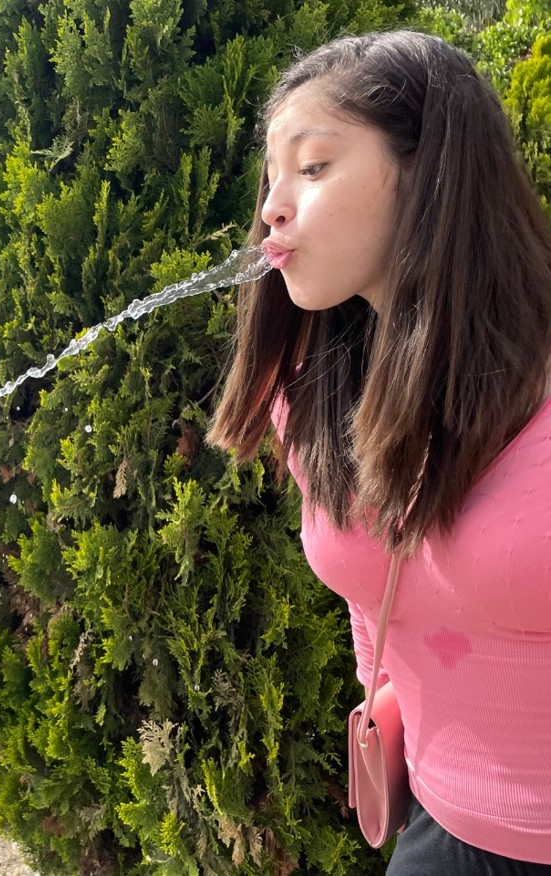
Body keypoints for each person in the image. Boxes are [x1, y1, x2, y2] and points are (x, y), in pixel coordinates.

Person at [207, 30, 551, 873]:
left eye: (314, 168)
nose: (271, 210)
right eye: (272, 178)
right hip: (436, 829)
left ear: (429, 171)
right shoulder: (314, 398)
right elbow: (372, 592)